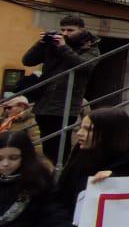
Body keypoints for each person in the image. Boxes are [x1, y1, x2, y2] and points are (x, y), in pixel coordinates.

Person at [21, 15, 100, 162]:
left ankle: (60, 172)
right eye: (63, 29)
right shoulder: (52, 45)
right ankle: (50, 173)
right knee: (47, 144)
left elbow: (83, 66)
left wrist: (63, 47)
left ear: (82, 30)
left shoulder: (90, 48)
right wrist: (41, 43)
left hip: (66, 104)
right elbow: (27, 61)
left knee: (61, 145)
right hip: (44, 102)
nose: (65, 33)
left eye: (70, 30)